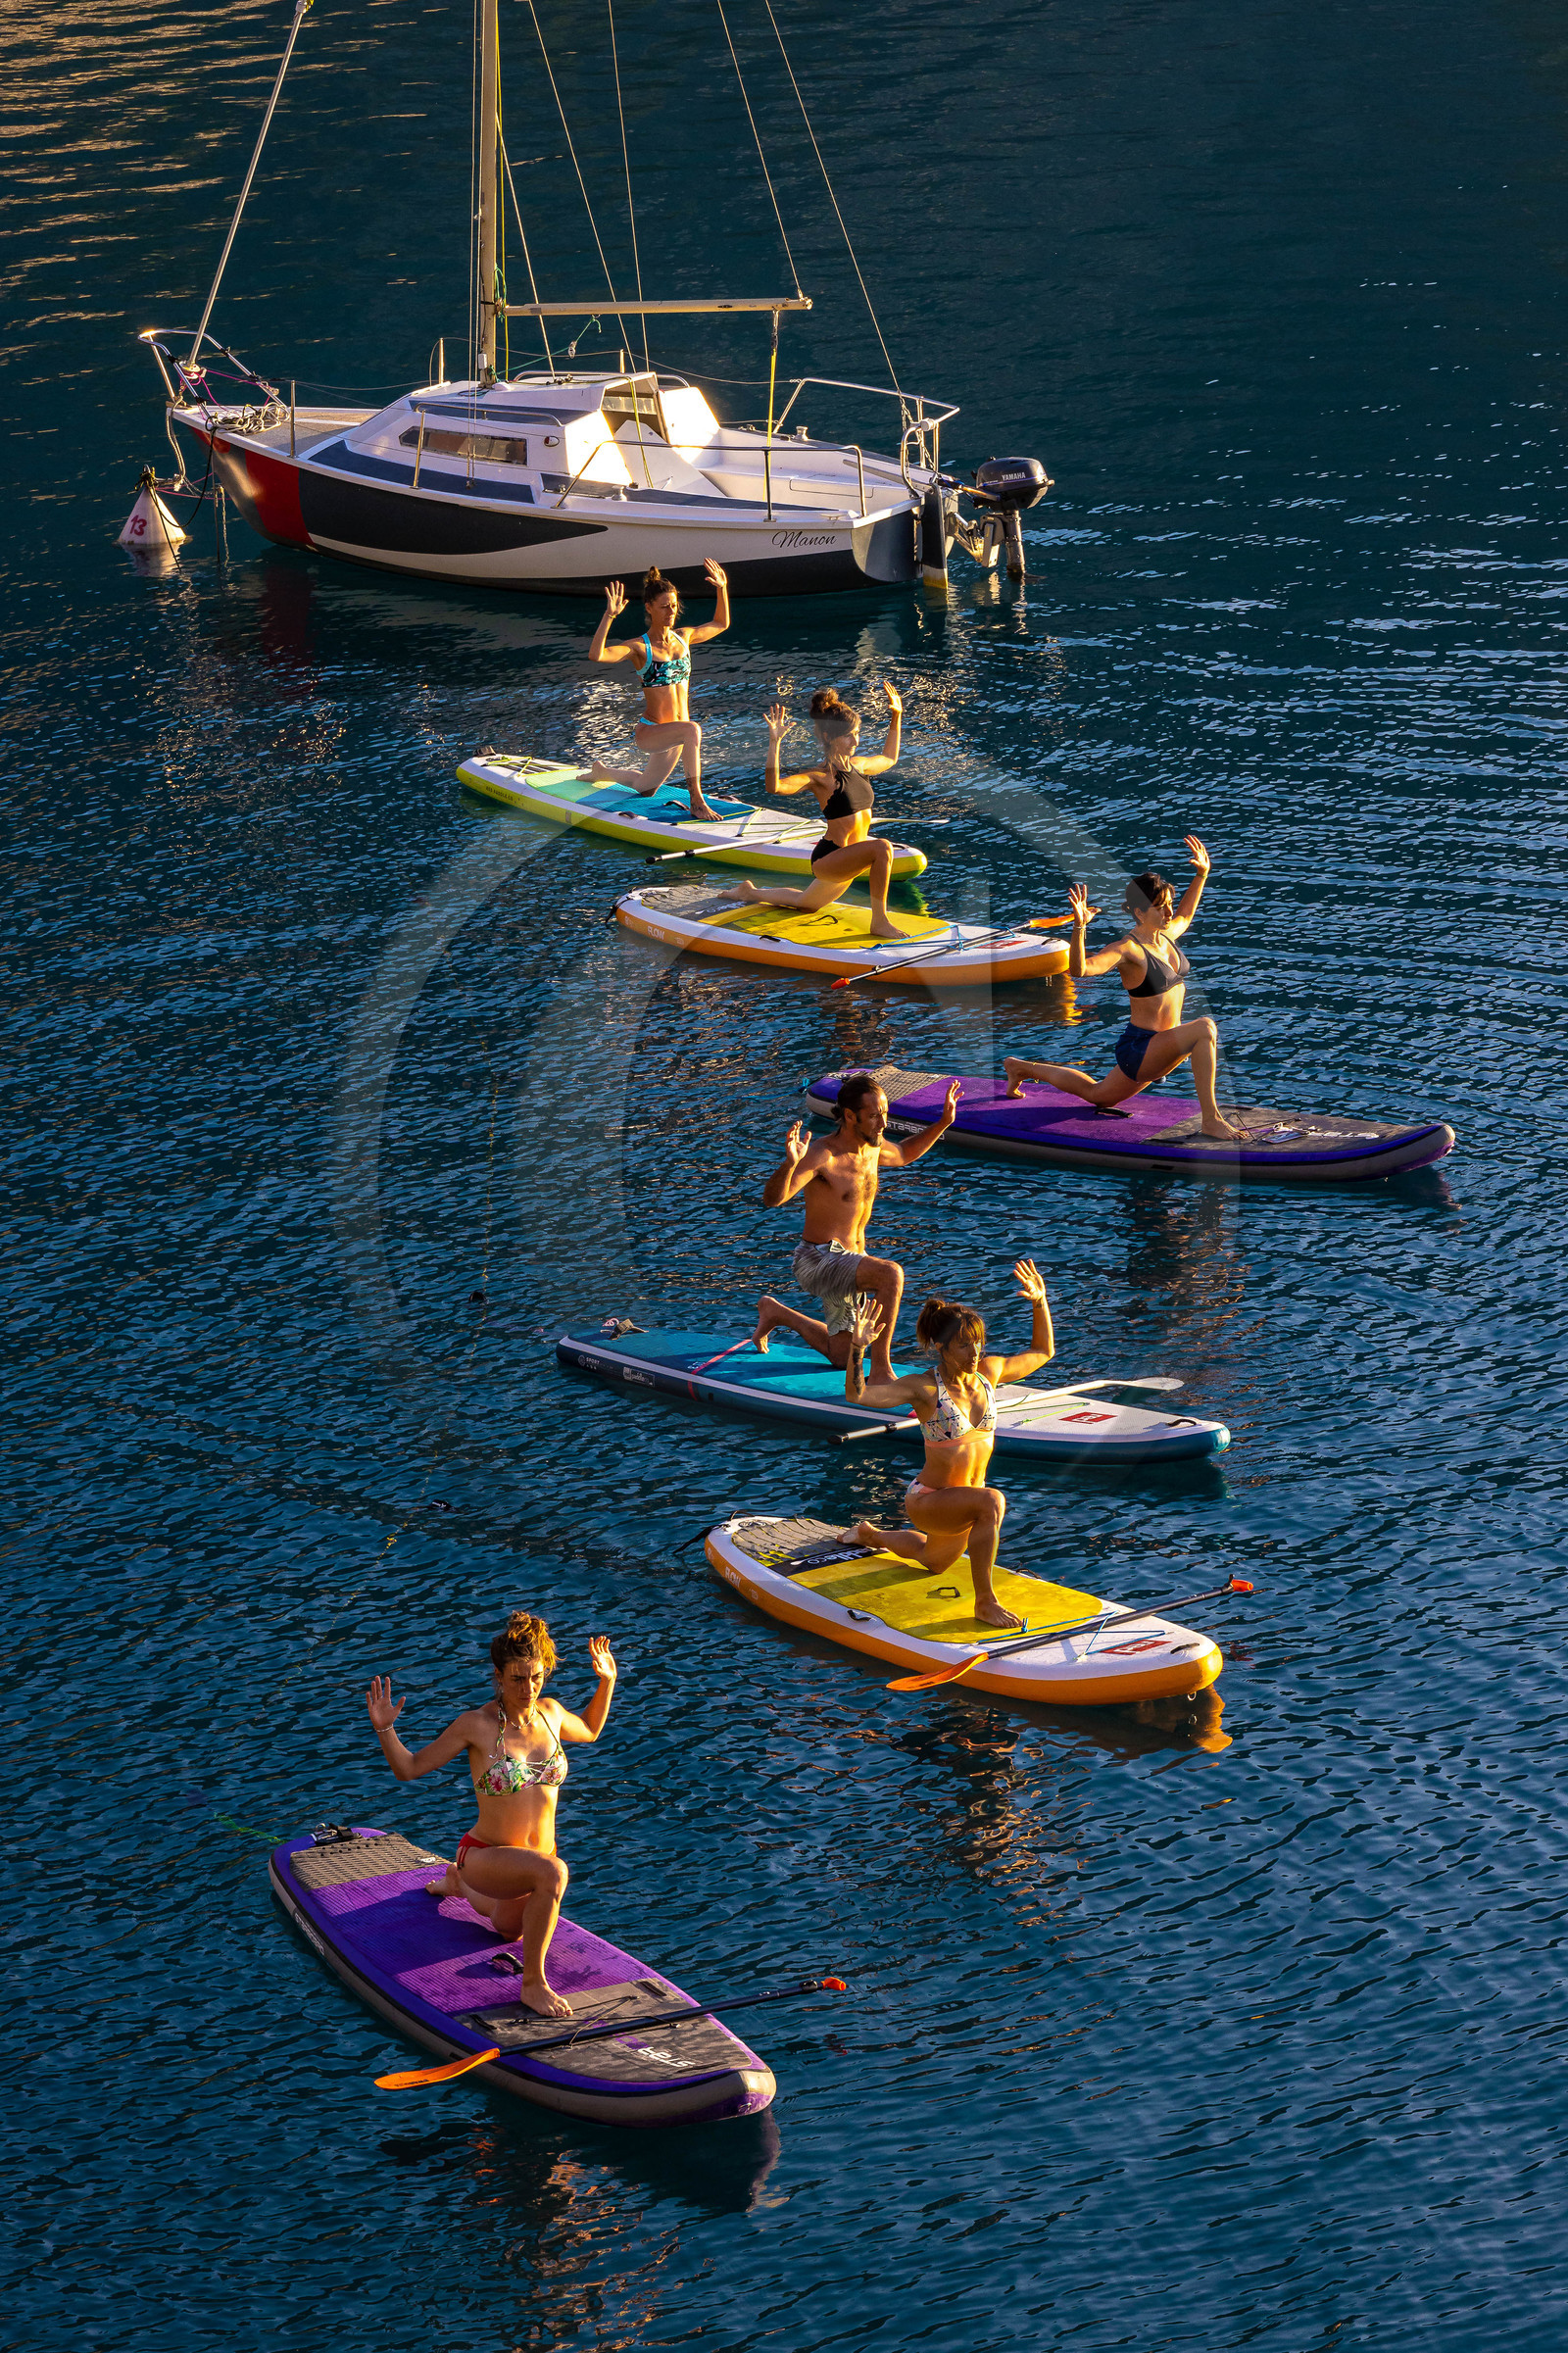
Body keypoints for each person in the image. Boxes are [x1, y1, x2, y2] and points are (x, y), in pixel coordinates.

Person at [365, 1611, 616, 2019]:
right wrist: (385, 1729)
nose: (528, 1688)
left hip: (523, 1867)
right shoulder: (476, 1726)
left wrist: (607, 1681)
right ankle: (532, 1985)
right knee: (554, 1874)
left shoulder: (551, 1714)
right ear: (498, 1676)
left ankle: (459, 1886)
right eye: (517, 1679)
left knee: (508, 1930)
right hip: (485, 1854)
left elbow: (589, 1728)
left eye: (536, 1677)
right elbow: (409, 1769)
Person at [849, 1260, 1055, 1629]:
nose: (974, 1352)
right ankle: (985, 1602)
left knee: (933, 1560)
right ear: (941, 1348)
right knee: (992, 1500)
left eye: (977, 1342)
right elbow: (857, 1394)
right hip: (929, 1500)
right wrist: (857, 1347)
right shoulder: (924, 1388)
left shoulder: (989, 1374)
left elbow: (1042, 1352)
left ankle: (870, 1534)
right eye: (963, 1345)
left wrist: (1040, 1302)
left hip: (962, 1506)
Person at [1002, 837, 1250, 1142]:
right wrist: (1079, 928)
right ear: (1139, 913)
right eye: (1161, 908)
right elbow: (1081, 970)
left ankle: (1020, 1067)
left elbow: (1185, 915)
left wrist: (1202, 875)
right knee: (1204, 1028)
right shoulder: (1127, 949)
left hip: (1163, 1047)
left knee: (1099, 1096)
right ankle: (1211, 1119)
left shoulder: (1167, 934)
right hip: (1142, 1048)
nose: (1169, 914)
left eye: (1169, 905)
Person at [750, 1069, 961, 1386]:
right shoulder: (825, 1155)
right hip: (817, 1259)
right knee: (891, 1274)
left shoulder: (873, 1148)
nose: (883, 1123)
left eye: (885, 1114)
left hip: (850, 1260)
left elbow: (904, 1153)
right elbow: (773, 1200)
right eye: (875, 1116)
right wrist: (790, 1163)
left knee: (841, 1357)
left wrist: (943, 1123)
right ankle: (880, 1372)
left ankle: (776, 1312)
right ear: (850, 1116)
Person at [726, 685, 905, 941]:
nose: (855, 741)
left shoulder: (860, 765)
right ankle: (880, 922)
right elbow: (774, 786)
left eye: (857, 734)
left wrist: (896, 715)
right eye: (848, 736)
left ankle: (749, 892)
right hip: (830, 859)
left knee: (806, 904)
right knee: (882, 847)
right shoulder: (819, 777)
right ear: (830, 738)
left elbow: (890, 757)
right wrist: (774, 742)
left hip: (850, 861)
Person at [585, 560, 729, 819]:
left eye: (673, 605)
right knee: (693, 728)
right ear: (649, 608)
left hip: (676, 737)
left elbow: (721, 623)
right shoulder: (640, 648)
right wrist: (609, 616)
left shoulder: (684, 637)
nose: (670, 611)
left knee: (646, 789)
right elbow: (597, 655)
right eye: (664, 607)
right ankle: (696, 801)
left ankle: (602, 773)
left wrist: (722, 588)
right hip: (651, 732)